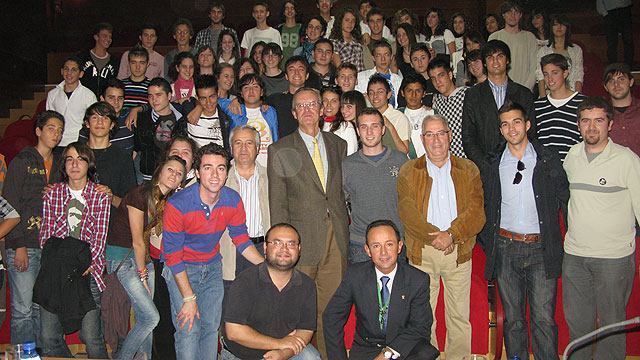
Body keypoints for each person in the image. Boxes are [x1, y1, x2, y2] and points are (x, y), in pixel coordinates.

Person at [479, 100, 569, 360]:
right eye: (505, 124)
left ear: (528, 124)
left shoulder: (547, 158)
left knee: (543, 318)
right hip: (506, 248)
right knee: (514, 320)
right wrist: (491, 242)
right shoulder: (492, 162)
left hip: (541, 248)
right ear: (500, 130)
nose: (511, 128)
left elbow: (564, 198)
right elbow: (484, 205)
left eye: (516, 121)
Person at [161, 143, 265, 360]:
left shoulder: (232, 199)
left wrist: (267, 268)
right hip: (181, 268)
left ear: (227, 172)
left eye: (220, 168)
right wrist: (189, 298)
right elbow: (172, 256)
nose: (215, 174)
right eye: (208, 168)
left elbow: (241, 240)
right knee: (189, 330)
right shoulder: (178, 204)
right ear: (197, 173)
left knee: (210, 329)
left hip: (212, 266)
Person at [268, 87, 349, 359]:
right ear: (293, 113)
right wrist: (283, 247)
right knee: (295, 311)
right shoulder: (280, 149)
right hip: (299, 242)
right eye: (300, 106)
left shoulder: (339, 145)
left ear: (321, 110)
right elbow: (278, 203)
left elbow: (339, 193)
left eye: (312, 104)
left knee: (331, 310)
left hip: (335, 239)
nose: (307, 110)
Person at [397, 114, 485, 360]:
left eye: (440, 133)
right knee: (424, 316)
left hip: (459, 251)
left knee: (459, 315)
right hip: (422, 253)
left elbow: (477, 212)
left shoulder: (468, 170)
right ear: (422, 139)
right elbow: (407, 211)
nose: (436, 140)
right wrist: (434, 237)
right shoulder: (409, 170)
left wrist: (452, 235)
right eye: (429, 134)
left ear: (449, 136)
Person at [562, 96, 640, 359]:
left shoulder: (626, 160)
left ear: (610, 124)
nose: (591, 127)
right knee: (578, 327)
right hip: (574, 257)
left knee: (611, 327)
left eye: (598, 120)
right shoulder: (571, 157)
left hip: (614, 259)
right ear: (578, 125)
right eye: (586, 121)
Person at [105, 155, 186, 360]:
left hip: (143, 260)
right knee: (151, 318)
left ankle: (144, 357)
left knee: (145, 317)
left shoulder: (165, 200)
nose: (174, 175)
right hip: (123, 258)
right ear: (160, 170)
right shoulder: (140, 194)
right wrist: (142, 275)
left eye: (179, 173)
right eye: (170, 169)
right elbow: (137, 241)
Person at [323, 220, 440, 360]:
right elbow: (331, 317)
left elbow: (420, 328)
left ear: (399, 246)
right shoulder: (355, 275)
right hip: (367, 348)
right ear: (368, 250)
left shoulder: (417, 279)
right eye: (376, 246)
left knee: (426, 353)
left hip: (403, 348)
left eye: (389, 244)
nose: (383, 252)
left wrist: (387, 354)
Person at [38, 142, 111, 358]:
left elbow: (100, 237)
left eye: (80, 159)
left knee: (91, 336)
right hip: (56, 272)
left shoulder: (100, 196)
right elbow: (46, 237)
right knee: (49, 337)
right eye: (70, 159)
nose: (75, 163)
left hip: (88, 272)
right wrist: (62, 262)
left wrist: (85, 263)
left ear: (89, 165)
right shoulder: (53, 195)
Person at [4, 111, 64, 346]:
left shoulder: (59, 165)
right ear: (38, 131)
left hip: (47, 246)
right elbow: (9, 205)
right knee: (22, 308)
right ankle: (23, 354)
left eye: (59, 130)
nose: (56, 134)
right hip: (23, 244)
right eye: (51, 128)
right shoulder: (23, 161)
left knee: (39, 308)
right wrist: (18, 244)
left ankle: (39, 353)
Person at [222, 223, 320, 360]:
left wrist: (283, 353)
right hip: (242, 355)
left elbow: (306, 329)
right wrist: (279, 343)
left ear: (299, 249)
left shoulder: (307, 285)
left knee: (311, 357)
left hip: (283, 350)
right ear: (265, 247)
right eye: (277, 243)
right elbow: (234, 332)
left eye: (291, 244)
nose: (284, 249)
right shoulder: (245, 281)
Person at [342, 108, 408, 263]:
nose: (369, 132)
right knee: (363, 287)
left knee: (397, 287)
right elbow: (340, 202)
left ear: (383, 129)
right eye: (364, 127)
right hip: (361, 242)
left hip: (395, 241)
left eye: (375, 126)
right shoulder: (347, 165)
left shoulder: (401, 161)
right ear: (358, 131)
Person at [462, 40, 535, 165]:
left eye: (500, 56)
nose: (495, 61)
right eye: (490, 57)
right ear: (484, 63)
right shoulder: (473, 94)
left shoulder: (524, 94)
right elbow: (468, 136)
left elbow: (531, 133)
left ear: (507, 60)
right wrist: (484, 164)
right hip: (485, 165)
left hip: (519, 164)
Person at [219, 125, 270, 286]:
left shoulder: (271, 177)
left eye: (249, 143)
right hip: (229, 251)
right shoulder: (219, 178)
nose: (243, 148)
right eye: (238, 143)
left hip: (262, 248)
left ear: (257, 147)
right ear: (231, 147)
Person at [82, 102, 137, 215]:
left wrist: (111, 198)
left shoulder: (122, 157)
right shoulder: (76, 153)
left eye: (105, 118)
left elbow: (131, 204)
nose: (100, 122)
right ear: (87, 123)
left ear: (112, 125)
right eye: (95, 117)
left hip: (111, 222)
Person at [218, 73, 278, 167]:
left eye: (255, 87)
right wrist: (235, 100)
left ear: (262, 92)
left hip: (268, 168)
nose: (251, 91)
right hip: (241, 167)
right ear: (241, 93)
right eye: (246, 87)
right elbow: (214, 101)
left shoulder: (270, 111)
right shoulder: (235, 111)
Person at [534, 53, 586, 161]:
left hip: (574, 166)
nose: (550, 79)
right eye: (546, 74)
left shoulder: (583, 103)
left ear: (565, 73)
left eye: (555, 73)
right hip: (546, 169)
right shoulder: (538, 106)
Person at [46, 56, 97, 148]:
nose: (69, 73)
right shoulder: (52, 94)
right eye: (66, 69)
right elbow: (49, 121)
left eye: (74, 70)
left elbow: (93, 122)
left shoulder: (89, 95)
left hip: (79, 143)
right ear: (62, 71)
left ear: (81, 74)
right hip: (57, 143)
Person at [488, 1, 538, 90]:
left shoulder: (529, 37)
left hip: (524, 90)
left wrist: (526, 90)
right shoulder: (495, 37)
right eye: (509, 12)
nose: (512, 15)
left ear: (521, 15)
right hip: (500, 89)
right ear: (503, 15)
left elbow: (534, 67)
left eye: (516, 12)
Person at [535, 15, 584, 98]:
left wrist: (577, 98)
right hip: (549, 94)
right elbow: (540, 77)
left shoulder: (576, 50)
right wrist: (543, 100)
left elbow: (578, 75)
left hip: (570, 92)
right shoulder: (543, 51)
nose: (559, 27)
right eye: (556, 25)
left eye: (562, 24)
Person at [428, 58, 468, 159]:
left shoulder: (467, 94)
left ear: (450, 75)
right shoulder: (436, 103)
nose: (437, 81)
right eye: (433, 78)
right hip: (449, 160)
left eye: (441, 76)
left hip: (470, 157)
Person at [266, 56, 311, 138]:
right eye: (291, 70)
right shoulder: (276, 100)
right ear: (286, 76)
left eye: (301, 69)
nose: (296, 73)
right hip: (284, 146)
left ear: (307, 75)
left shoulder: (314, 100)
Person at [366, 75, 410, 154]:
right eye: (371, 93)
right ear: (368, 97)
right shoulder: (366, 118)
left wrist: (390, 126)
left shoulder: (399, 117)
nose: (375, 96)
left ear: (389, 95)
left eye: (380, 92)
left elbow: (404, 151)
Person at [604, 62, 640, 156]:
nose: (616, 84)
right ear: (605, 87)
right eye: (611, 81)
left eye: (621, 79)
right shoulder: (601, 113)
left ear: (631, 82)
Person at [188, 74, 231, 149]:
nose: (208, 102)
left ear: (218, 94)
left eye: (212, 97)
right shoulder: (189, 114)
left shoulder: (226, 118)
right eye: (203, 98)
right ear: (197, 98)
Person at [356, 40, 403, 109]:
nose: (383, 59)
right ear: (373, 58)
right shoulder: (361, 78)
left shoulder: (399, 80)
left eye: (386, 55)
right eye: (378, 55)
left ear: (391, 57)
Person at [77, 22, 119, 97]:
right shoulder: (83, 57)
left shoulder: (114, 61)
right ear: (96, 37)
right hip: (84, 100)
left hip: (103, 103)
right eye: (105, 36)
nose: (108, 39)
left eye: (110, 37)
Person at [398, 74, 433, 159]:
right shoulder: (397, 115)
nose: (413, 95)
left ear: (424, 93)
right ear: (403, 93)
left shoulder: (433, 114)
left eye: (418, 91)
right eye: (409, 90)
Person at [320, 85, 357, 155]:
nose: (329, 105)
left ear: (340, 104)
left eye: (334, 101)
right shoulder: (316, 124)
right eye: (325, 100)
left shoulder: (346, 127)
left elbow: (351, 156)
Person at [598, 0, 634, 68]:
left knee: (628, 40)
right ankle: (613, 66)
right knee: (611, 42)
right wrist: (605, 14)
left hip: (625, 10)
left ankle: (629, 65)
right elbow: (599, 3)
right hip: (610, 13)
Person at [330, 7, 365, 72]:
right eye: (347, 20)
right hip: (346, 77)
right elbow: (339, 67)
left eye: (353, 21)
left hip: (361, 77)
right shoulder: (335, 42)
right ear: (340, 21)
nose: (350, 23)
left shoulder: (357, 40)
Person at [277, 0, 302, 67]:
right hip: (281, 66)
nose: (289, 11)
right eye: (287, 8)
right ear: (283, 12)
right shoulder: (278, 29)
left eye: (292, 8)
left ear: (296, 11)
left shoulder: (302, 29)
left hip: (297, 64)